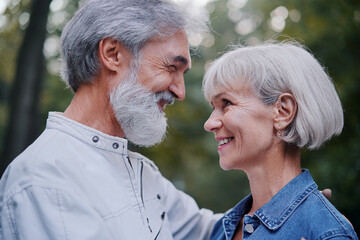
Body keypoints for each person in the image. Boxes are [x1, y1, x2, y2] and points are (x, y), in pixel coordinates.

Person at [0, 0, 221, 239]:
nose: (181, 92)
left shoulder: (143, 174)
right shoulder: (46, 177)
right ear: (112, 54)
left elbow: (215, 232)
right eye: (171, 67)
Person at [202, 42, 358, 240]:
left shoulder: (326, 233)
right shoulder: (222, 229)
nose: (209, 123)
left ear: (283, 111)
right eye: (213, 107)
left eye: (226, 103)